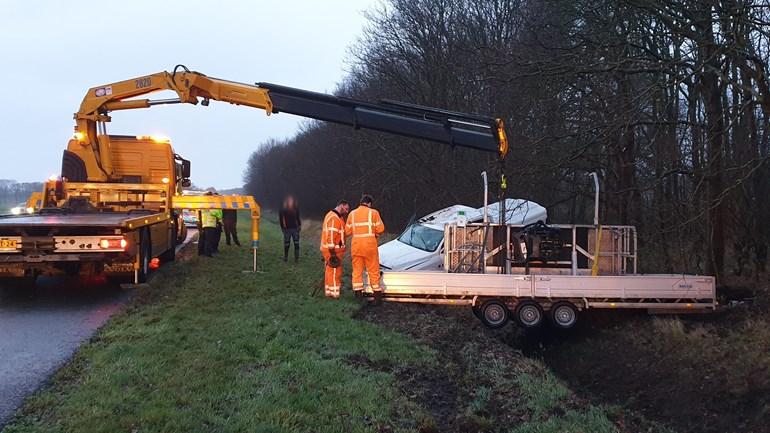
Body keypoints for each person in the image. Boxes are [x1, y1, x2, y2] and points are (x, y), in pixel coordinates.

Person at [345, 194, 385, 303]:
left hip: (356, 246)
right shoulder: (374, 213)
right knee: (373, 270)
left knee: (357, 271)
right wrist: (374, 233)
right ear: (369, 204)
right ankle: (377, 297)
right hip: (369, 246)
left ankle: (358, 296)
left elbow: (347, 231)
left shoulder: (352, 214)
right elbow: (381, 229)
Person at [320, 200, 350, 299]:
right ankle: (334, 294)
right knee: (334, 272)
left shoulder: (336, 217)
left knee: (330, 271)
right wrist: (332, 253)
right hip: (333, 251)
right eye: (345, 209)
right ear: (341, 205)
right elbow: (331, 236)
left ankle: (329, 292)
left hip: (334, 250)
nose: (346, 211)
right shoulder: (334, 218)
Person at [279, 195, 301, 262]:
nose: (291, 202)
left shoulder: (296, 209)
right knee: (287, 244)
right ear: (287, 201)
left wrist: (299, 226)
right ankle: (285, 257)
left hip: (295, 229)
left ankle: (296, 259)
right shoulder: (283, 209)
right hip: (287, 230)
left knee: (296, 244)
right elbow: (281, 219)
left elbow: (298, 218)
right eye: (289, 201)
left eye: (291, 200)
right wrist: (283, 228)